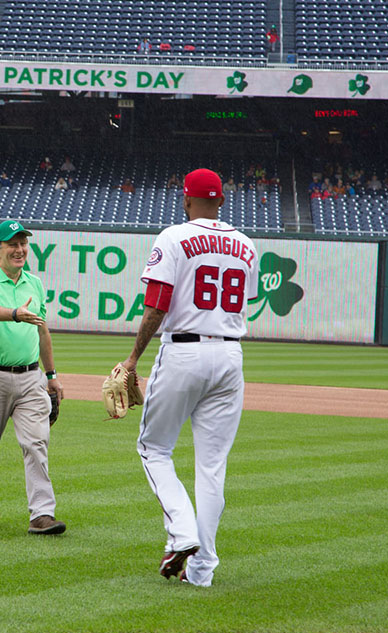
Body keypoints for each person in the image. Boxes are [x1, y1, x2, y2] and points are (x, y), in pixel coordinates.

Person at [118, 168, 259, 587]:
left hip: (184, 350)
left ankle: (181, 532)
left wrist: (132, 359)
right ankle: (202, 572)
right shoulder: (247, 244)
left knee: (153, 448)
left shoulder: (174, 236)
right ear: (221, 200)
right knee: (212, 467)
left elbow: (158, 304)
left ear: (187, 199)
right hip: (231, 355)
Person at [0, 219, 66, 535]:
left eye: (23, 243)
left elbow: (42, 330)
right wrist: (14, 313)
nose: (20, 249)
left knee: (37, 442)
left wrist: (51, 375)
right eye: (12, 243)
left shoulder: (35, 283)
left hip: (30, 377)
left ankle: (42, 514)